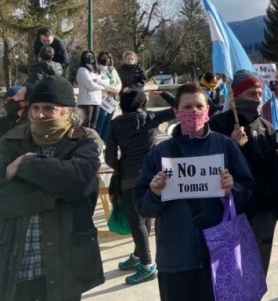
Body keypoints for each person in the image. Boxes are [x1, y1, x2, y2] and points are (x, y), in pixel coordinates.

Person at [135, 83, 255, 301]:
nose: (194, 112)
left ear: (208, 110)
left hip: (219, 254)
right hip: (175, 258)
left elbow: (247, 190)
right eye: (187, 107)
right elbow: (143, 207)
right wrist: (154, 193)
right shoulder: (159, 154)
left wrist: (231, 190)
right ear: (176, 112)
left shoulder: (225, 146)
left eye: (199, 106)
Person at [0, 76, 104, 300]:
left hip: (66, 262)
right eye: (35, 108)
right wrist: (53, 196)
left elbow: (80, 182)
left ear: (68, 111)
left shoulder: (85, 140)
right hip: (17, 259)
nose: (39, 115)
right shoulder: (10, 141)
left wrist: (26, 163)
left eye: (49, 108)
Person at [208, 70, 278, 277]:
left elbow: (276, 175)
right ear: (235, 97)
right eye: (250, 94)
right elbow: (210, 169)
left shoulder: (268, 128)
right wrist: (232, 145)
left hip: (263, 212)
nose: (256, 99)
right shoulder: (217, 126)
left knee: (256, 275)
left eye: (258, 94)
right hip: (229, 212)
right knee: (229, 276)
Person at [105, 89, 175, 285]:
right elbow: (178, 108)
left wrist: (118, 167)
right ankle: (138, 254)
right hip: (152, 173)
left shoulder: (115, 124)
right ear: (141, 104)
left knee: (136, 220)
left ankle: (147, 263)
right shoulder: (151, 117)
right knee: (145, 215)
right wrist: (166, 95)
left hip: (128, 175)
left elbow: (110, 156)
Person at [76, 50, 109, 130]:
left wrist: (97, 80)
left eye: (91, 56)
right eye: (87, 56)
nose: (90, 58)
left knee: (93, 126)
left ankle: (91, 141)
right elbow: (90, 85)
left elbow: (107, 81)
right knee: (86, 125)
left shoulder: (97, 70)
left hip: (97, 101)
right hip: (86, 102)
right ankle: (84, 142)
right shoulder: (82, 70)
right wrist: (102, 87)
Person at [95, 51, 122, 142]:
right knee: (101, 120)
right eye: (103, 57)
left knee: (108, 120)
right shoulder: (97, 69)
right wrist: (111, 89)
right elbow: (99, 82)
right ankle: (98, 141)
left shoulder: (112, 70)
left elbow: (118, 82)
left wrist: (117, 89)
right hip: (103, 98)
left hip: (112, 99)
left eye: (108, 58)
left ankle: (105, 140)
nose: (106, 60)